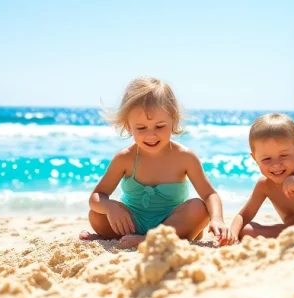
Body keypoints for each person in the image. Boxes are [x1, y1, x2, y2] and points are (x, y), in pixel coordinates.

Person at [79, 77, 228, 248]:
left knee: (199, 209)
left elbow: (209, 194)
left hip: (172, 224)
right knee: (96, 214)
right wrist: (110, 207)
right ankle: (122, 237)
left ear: (174, 120)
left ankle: (150, 240)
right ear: (128, 126)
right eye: (141, 128)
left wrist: (218, 219)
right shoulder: (125, 158)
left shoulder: (185, 157)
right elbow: (96, 197)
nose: (151, 135)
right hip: (132, 224)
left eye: (160, 126)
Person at [228, 113, 294, 242]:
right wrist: (233, 234)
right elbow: (243, 215)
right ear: (255, 159)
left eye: (283, 155)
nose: (276, 164)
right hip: (291, 230)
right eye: (266, 159)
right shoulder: (264, 185)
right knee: (247, 230)